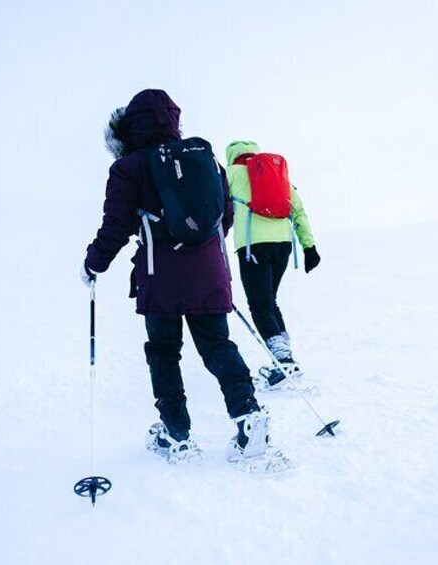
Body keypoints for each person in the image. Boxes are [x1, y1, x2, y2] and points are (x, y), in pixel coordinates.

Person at [81, 90, 284, 468]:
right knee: (218, 345)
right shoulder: (206, 162)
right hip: (209, 273)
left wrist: (93, 264)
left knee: (163, 352)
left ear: (129, 128)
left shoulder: (129, 167)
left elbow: (116, 225)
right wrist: (197, 249)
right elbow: (223, 218)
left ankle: (176, 434)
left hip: (160, 278)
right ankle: (248, 418)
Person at [225, 140, 320, 389]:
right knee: (269, 302)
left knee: (260, 304)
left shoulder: (231, 174)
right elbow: (298, 209)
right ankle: (285, 359)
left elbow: (215, 206)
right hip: (283, 245)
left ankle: (284, 361)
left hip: (253, 246)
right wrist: (309, 247)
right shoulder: (274, 174)